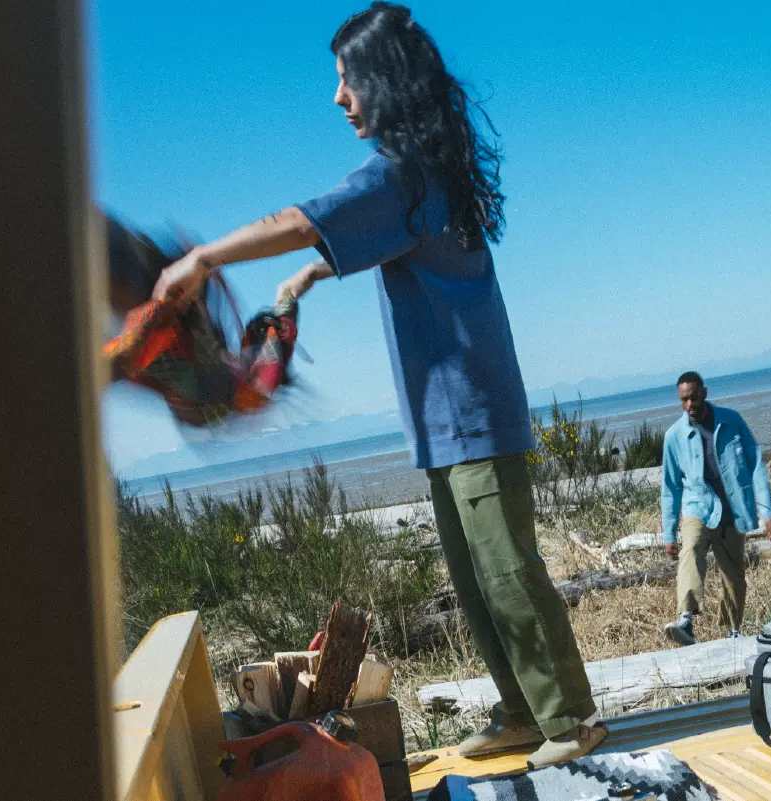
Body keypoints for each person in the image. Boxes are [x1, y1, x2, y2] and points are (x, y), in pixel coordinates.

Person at [151, 2, 603, 767]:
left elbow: (303, 217)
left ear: (381, 80)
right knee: (476, 578)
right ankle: (526, 709)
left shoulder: (401, 173)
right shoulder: (423, 173)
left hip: (472, 410)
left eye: (345, 79)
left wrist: (203, 260)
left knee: (508, 572)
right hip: (447, 418)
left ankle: (573, 718)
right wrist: (315, 272)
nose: (337, 97)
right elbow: (362, 235)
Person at [659, 372, 771, 645]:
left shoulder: (732, 421)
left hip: (733, 511)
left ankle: (734, 631)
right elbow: (670, 487)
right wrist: (668, 533)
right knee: (691, 549)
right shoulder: (675, 436)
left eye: (694, 397)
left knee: (733, 575)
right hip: (696, 506)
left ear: (704, 393)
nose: (689, 405)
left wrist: (767, 511)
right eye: (684, 400)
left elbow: (756, 464)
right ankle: (685, 620)